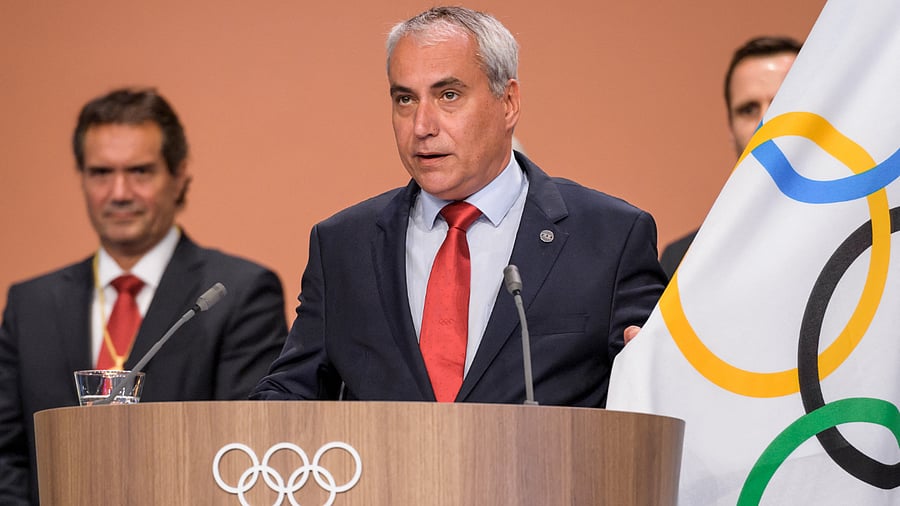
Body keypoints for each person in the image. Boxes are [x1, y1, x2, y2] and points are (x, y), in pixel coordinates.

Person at [251, 7, 665, 406]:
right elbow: (289, 395)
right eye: (405, 100)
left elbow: (656, 396)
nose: (422, 127)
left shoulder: (610, 237)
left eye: (448, 95)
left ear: (509, 102)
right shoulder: (343, 245)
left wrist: (657, 375)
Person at [0, 87, 288, 505]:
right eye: (101, 173)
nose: (119, 193)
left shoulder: (238, 294)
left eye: (139, 172)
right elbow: (6, 457)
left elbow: (245, 453)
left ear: (179, 175)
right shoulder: (32, 305)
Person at [659, 36, 802, 278]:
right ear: (731, 130)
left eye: (783, 101)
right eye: (748, 110)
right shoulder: (685, 261)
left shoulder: (879, 232)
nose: (765, 123)